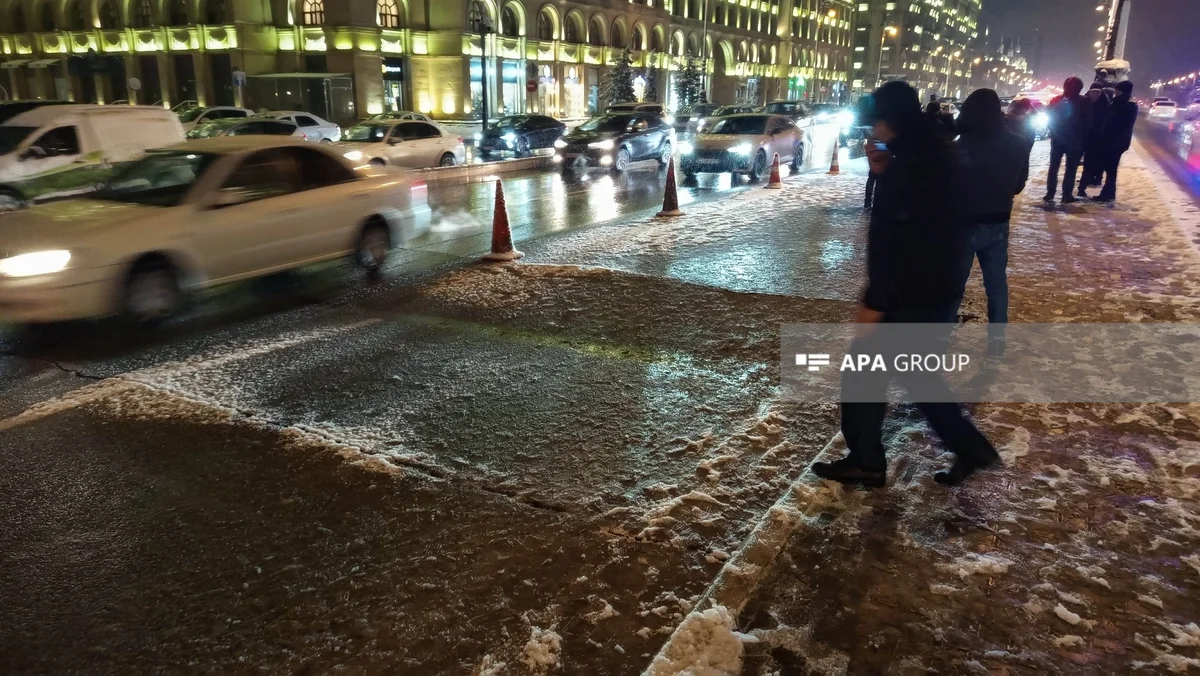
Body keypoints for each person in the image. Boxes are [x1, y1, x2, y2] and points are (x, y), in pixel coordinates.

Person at [812, 81, 1000, 489]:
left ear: (888, 120)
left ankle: (867, 460)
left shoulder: (914, 163)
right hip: (932, 286)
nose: (871, 131)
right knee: (916, 375)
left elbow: (900, 237)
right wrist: (885, 168)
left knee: (864, 371)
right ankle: (968, 447)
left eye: (875, 123)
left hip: (909, 291)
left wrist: (877, 299)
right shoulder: (927, 148)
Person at [954, 89, 1031, 350]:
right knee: (997, 284)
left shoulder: (960, 146)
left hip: (963, 223)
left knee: (954, 284)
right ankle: (997, 340)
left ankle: (940, 337)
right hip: (998, 221)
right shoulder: (1019, 144)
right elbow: (1019, 185)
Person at [1044, 77, 1091, 204]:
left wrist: (1053, 131)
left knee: (1054, 167)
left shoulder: (1056, 100)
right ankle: (1066, 194)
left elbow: (1049, 115)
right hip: (1074, 140)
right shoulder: (1084, 101)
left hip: (1059, 138)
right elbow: (1088, 122)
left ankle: (1050, 193)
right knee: (1070, 169)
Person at [1094, 80, 1138, 203]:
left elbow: (1116, 123)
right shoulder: (1123, 104)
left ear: (1122, 91)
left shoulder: (1124, 105)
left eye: (1117, 90)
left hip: (1114, 142)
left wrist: (1106, 133)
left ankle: (1107, 194)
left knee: (1111, 168)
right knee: (1110, 168)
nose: (1115, 92)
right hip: (1117, 141)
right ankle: (1109, 193)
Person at [1078, 82, 1111, 198]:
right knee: (1073, 164)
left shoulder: (1105, 104)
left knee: (1089, 165)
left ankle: (1081, 188)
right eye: (1093, 92)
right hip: (1081, 137)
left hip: (1096, 140)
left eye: (1098, 92)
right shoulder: (1083, 101)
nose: (1095, 94)